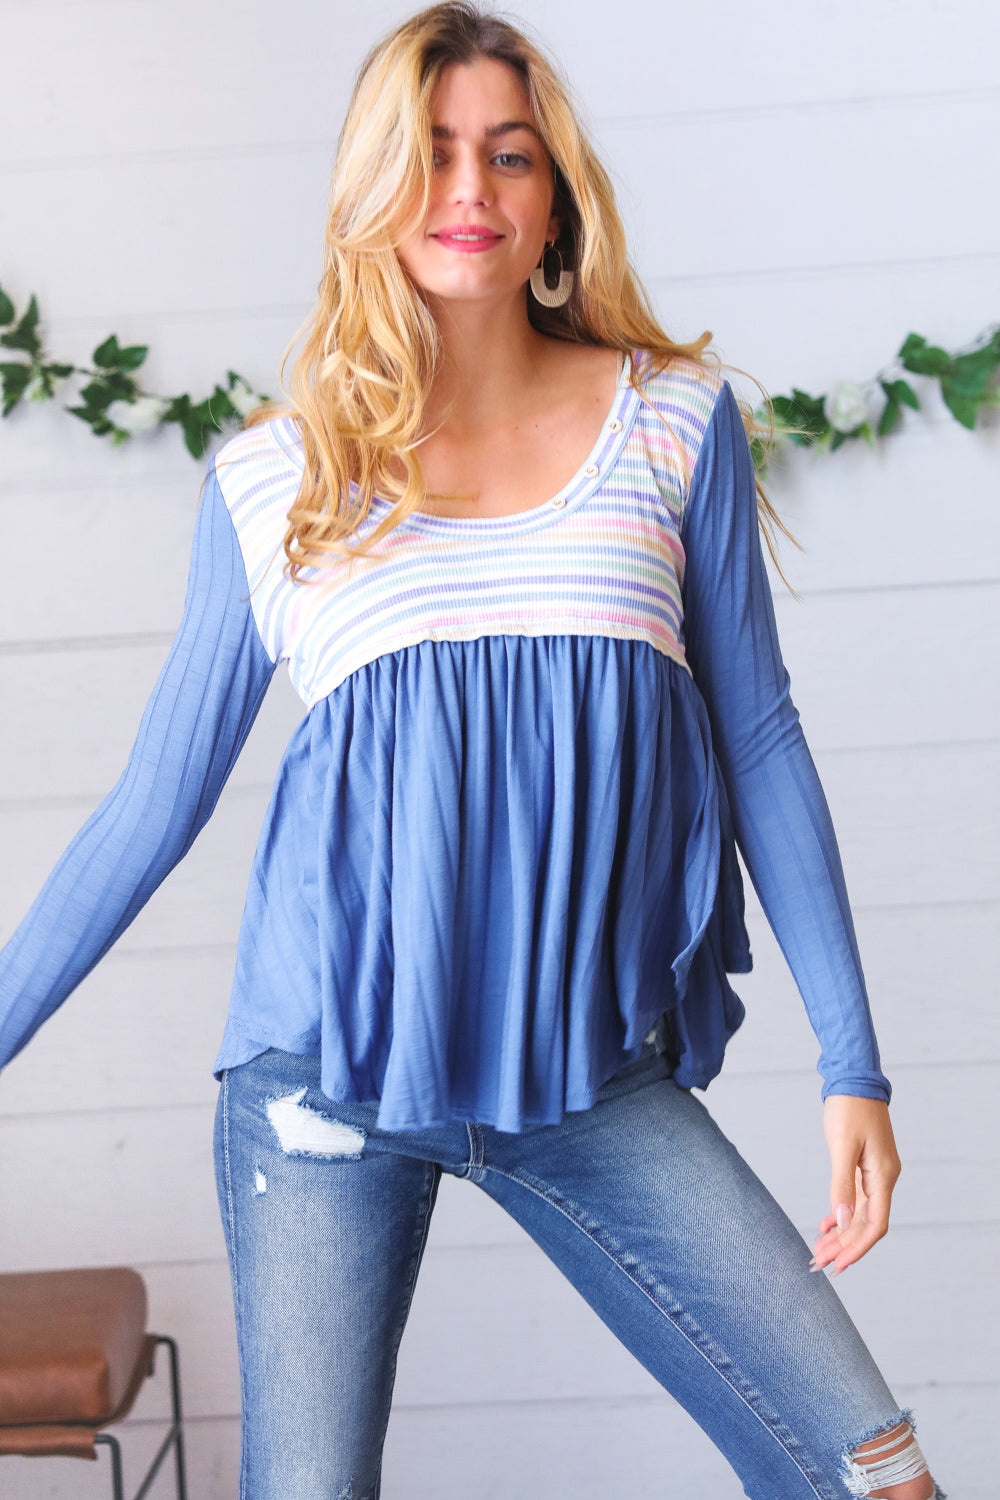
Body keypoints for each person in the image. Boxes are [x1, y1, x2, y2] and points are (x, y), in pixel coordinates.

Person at [0, 5, 941, 1498]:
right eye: (431, 152)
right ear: (372, 186)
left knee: (870, 1477)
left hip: (589, 1073)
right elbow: (151, 806)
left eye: (509, 155)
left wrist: (854, 1064)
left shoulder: (671, 424)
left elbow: (759, 734)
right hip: (322, 1080)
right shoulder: (278, 476)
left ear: (555, 196)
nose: (470, 190)